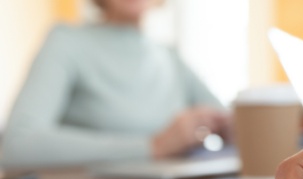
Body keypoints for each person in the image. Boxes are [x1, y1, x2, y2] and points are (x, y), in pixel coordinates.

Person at [1, 0, 230, 168]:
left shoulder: (170, 57)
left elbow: (229, 122)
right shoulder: (66, 43)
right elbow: (17, 145)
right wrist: (154, 146)